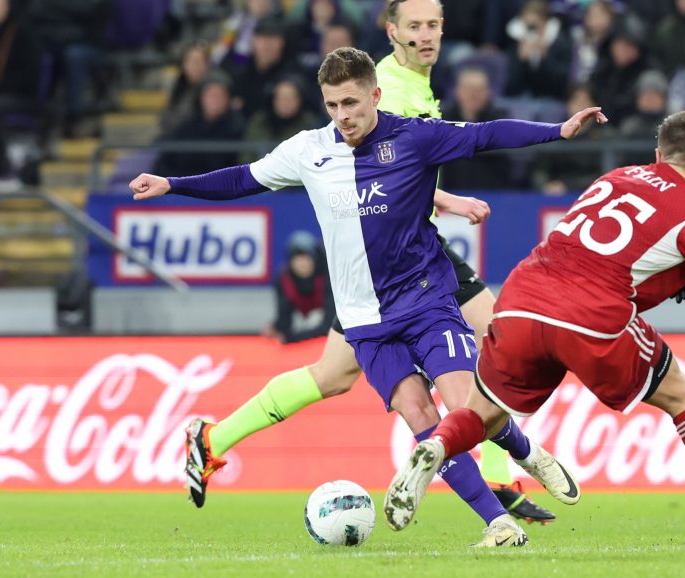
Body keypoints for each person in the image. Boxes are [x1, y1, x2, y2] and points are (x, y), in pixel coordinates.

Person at [129, 46, 607, 547]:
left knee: (464, 404)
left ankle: (526, 451)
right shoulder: (309, 150)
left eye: (352, 103)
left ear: (375, 95)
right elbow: (243, 178)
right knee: (420, 417)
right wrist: (172, 183)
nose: (343, 116)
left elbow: (486, 134)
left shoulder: (414, 137)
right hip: (364, 322)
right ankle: (499, 524)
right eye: (333, 105)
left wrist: (558, 130)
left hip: (426, 302)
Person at [384, 110, 685, 555]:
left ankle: (437, 445)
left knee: (483, 413)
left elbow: (601, 249)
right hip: (588, 316)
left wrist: (673, 273)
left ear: (658, 154)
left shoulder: (615, 178)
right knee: (683, 399)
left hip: (520, 299)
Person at [193, 0, 557, 525]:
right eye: (414, 27)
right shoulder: (384, 86)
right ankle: (500, 473)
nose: (426, 35)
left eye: (433, 24)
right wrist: (444, 201)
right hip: (391, 252)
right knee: (494, 339)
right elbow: (382, 170)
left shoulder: (419, 81)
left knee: (335, 375)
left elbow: (407, 167)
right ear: (393, 32)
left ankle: (213, 438)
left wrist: (441, 199)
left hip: (397, 247)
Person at [262, 230, 335, 344]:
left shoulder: (328, 277)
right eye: (297, 258)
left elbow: (330, 326)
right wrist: (276, 327)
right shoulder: (284, 279)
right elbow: (284, 320)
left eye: (306, 258)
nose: (302, 264)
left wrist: (293, 338)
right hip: (305, 336)